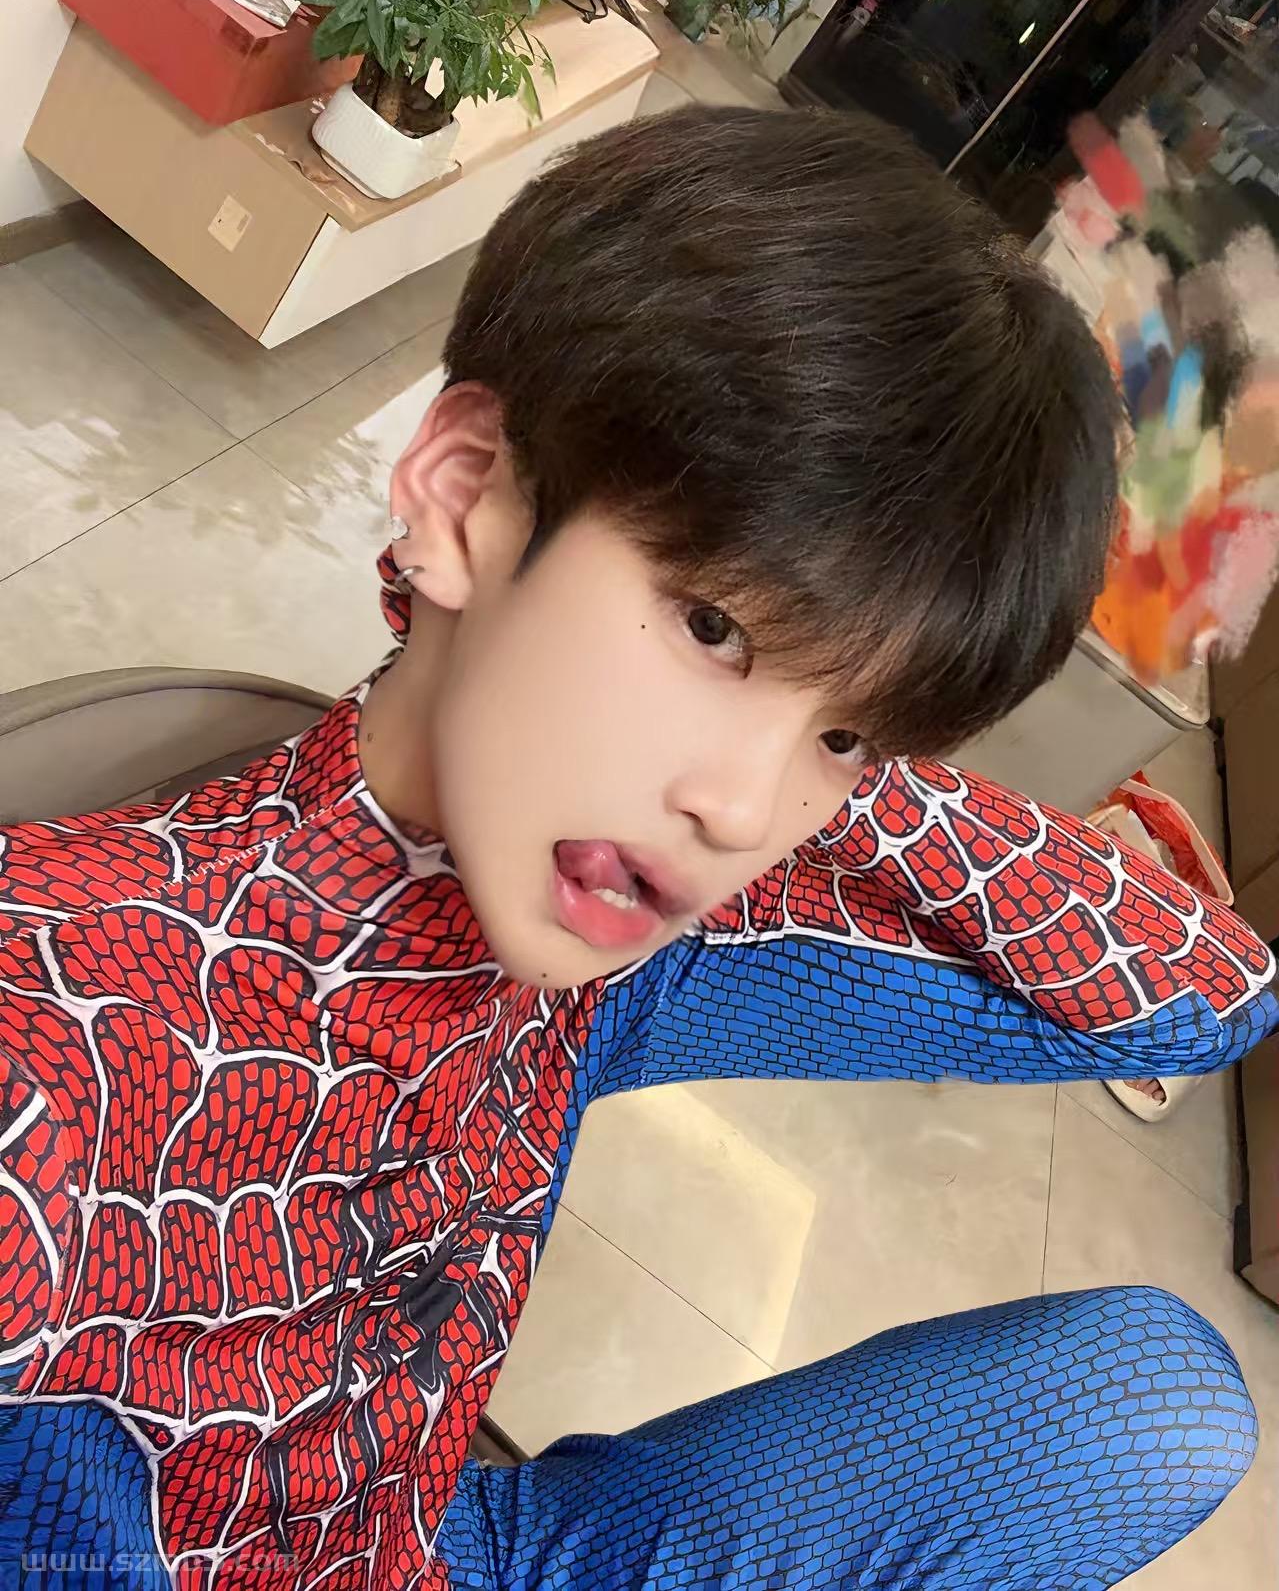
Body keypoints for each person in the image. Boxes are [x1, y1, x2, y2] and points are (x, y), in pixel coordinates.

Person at [0, 107, 1273, 1591]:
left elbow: (1208, 996)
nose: (740, 813)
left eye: (845, 738)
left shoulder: (611, 952)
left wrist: (860, 718)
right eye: (714, 626)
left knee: (1164, 1406)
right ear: (463, 494)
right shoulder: (58, 1051)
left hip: (443, 1548)